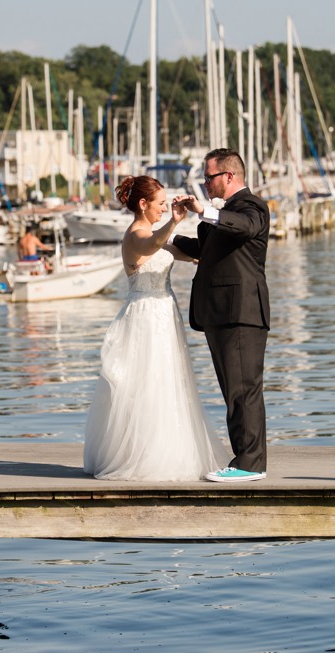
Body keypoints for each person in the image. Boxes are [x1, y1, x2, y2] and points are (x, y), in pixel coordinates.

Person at [83, 175, 224, 481]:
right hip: (144, 316)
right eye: (160, 204)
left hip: (165, 314)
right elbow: (152, 243)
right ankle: (141, 456)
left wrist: (212, 229)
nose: (163, 208)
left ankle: (172, 451)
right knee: (146, 383)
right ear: (143, 205)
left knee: (169, 382)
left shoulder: (157, 234)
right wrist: (173, 222)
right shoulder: (136, 234)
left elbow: (188, 254)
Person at [170, 148, 270, 482]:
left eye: (208, 176)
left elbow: (241, 228)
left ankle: (250, 464)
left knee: (244, 389)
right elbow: (207, 251)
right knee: (233, 391)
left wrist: (203, 211)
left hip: (241, 311)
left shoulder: (251, 207)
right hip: (219, 313)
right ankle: (244, 459)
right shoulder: (223, 214)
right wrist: (165, 239)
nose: (204, 182)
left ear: (229, 176)